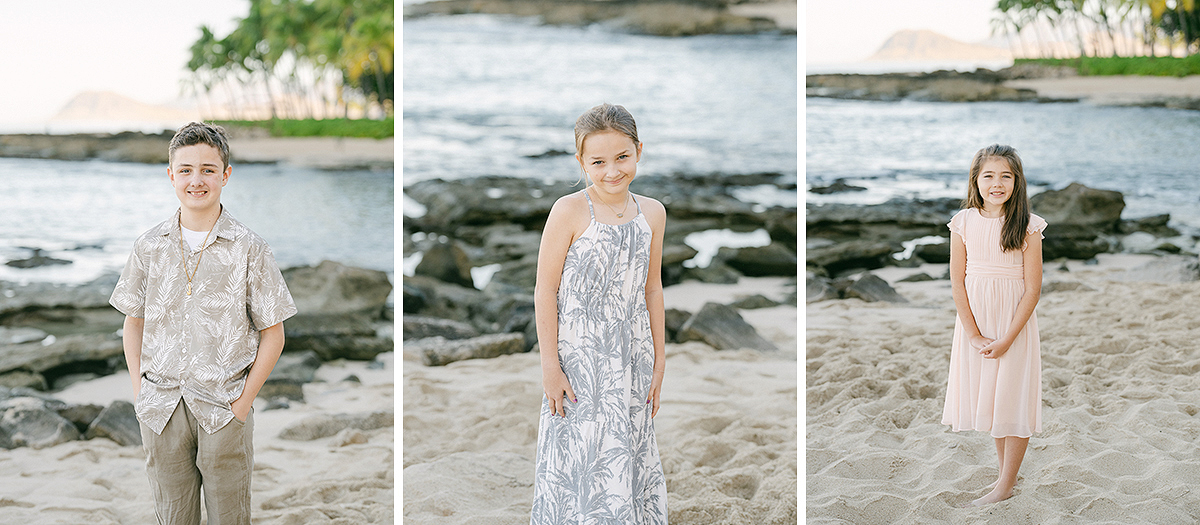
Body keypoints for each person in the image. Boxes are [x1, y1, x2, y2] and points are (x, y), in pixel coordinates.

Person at [109, 122, 297, 524]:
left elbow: (274, 333)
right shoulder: (148, 246)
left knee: (230, 517)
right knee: (173, 516)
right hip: (161, 408)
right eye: (186, 170)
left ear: (226, 175)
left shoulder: (250, 248)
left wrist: (243, 403)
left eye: (208, 170)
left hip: (223, 407)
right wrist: (140, 391)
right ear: (171, 175)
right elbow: (133, 322)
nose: (197, 180)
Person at [530, 104, 669, 524]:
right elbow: (544, 289)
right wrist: (550, 367)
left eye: (622, 157)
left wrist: (660, 360)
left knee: (626, 449)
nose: (612, 171)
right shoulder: (569, 211)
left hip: (633, 354)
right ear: (581, 162)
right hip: (579, 358)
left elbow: (652, 287)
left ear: (639, 150)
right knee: (581, 453)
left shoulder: (653, 212)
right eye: (598, 162)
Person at [941, 144, 1046, 506]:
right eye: (989, 175)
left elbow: (1033, 288)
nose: (997, 183)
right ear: (976, 180)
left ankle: (1005, 484)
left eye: (1006, 176)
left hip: (1013, 323)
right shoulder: (963, 222)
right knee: (994, 397)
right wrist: (972, 333)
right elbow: (957, 281)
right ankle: (1004, 477)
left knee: (1013, 398)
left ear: (1017, 182)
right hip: (976, 322)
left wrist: (1007, 338)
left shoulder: (1028, 226)